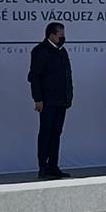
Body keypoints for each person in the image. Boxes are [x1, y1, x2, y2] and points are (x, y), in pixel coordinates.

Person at [28, 22, 73, 180]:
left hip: (61, 100)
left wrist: (69, 97)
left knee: (56, 133)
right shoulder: (40, 51)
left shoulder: (62, 52)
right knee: (46, 133)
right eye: (60, 34)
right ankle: (43, 166)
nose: (63, 37)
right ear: (52, 35)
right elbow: (34, 77)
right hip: (47, 101)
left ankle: (54, 165)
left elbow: (67, 76)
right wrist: (38, 99)